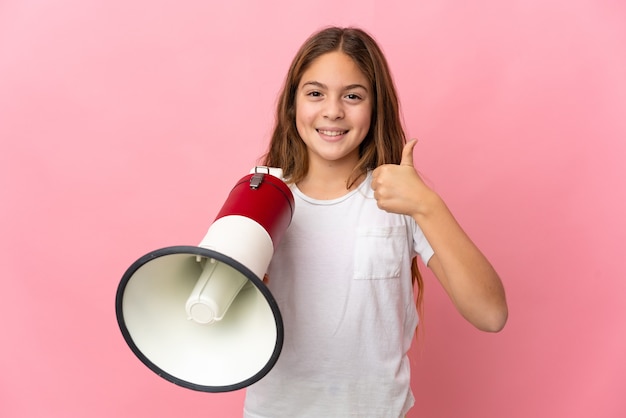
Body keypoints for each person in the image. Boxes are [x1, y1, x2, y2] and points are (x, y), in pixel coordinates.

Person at [243, 26, 508, 418]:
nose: (333, 110)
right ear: (292, 105)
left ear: (375, 107)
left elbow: (491, 314)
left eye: (352, 96)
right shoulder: (259, 195)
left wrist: (427, 206)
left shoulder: (404, 200)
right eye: (315, 93)